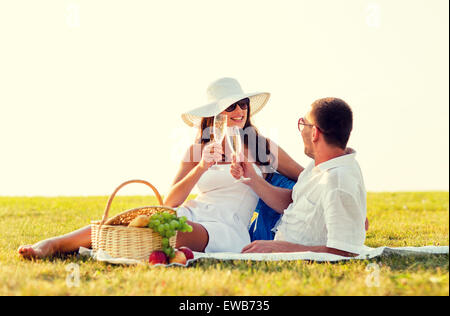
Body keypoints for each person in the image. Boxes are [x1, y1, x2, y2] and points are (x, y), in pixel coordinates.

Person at [18, 78, 303, 259]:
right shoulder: (198, 148)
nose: (239, 111)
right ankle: (54, 243)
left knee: (163, 230)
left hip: (228, 226)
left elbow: (305, 179)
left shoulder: (261, 146)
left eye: (242, 104)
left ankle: (84, 243)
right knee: (139, 219)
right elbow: (170, 201)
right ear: (214, 114)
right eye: (230, 106)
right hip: (192, 211)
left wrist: (259, 181)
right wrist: (202, 166)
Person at [231, 97, 367, 257]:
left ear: (315, 133)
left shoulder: (337, 181)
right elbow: (294, 201)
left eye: (303, 124)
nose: (301, 130)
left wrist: (280, 249)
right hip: (277, 243)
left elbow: (345, 251)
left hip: (285, 253)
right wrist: (252, 178)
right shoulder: (320, 165)